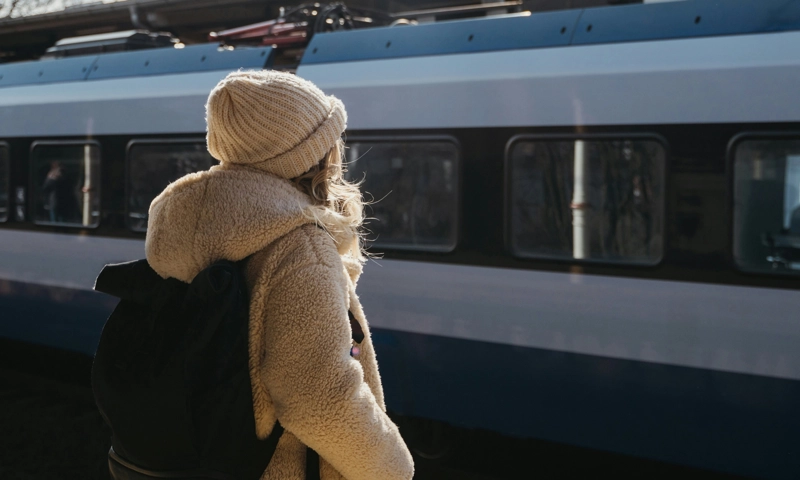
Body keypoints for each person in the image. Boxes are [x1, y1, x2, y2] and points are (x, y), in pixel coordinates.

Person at [144, 70, 414, 480]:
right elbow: (319, 397)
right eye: (329, 140)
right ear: (307, 156)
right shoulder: (299, 248)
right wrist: (393, 470)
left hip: (204, 457)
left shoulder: (186, 226)